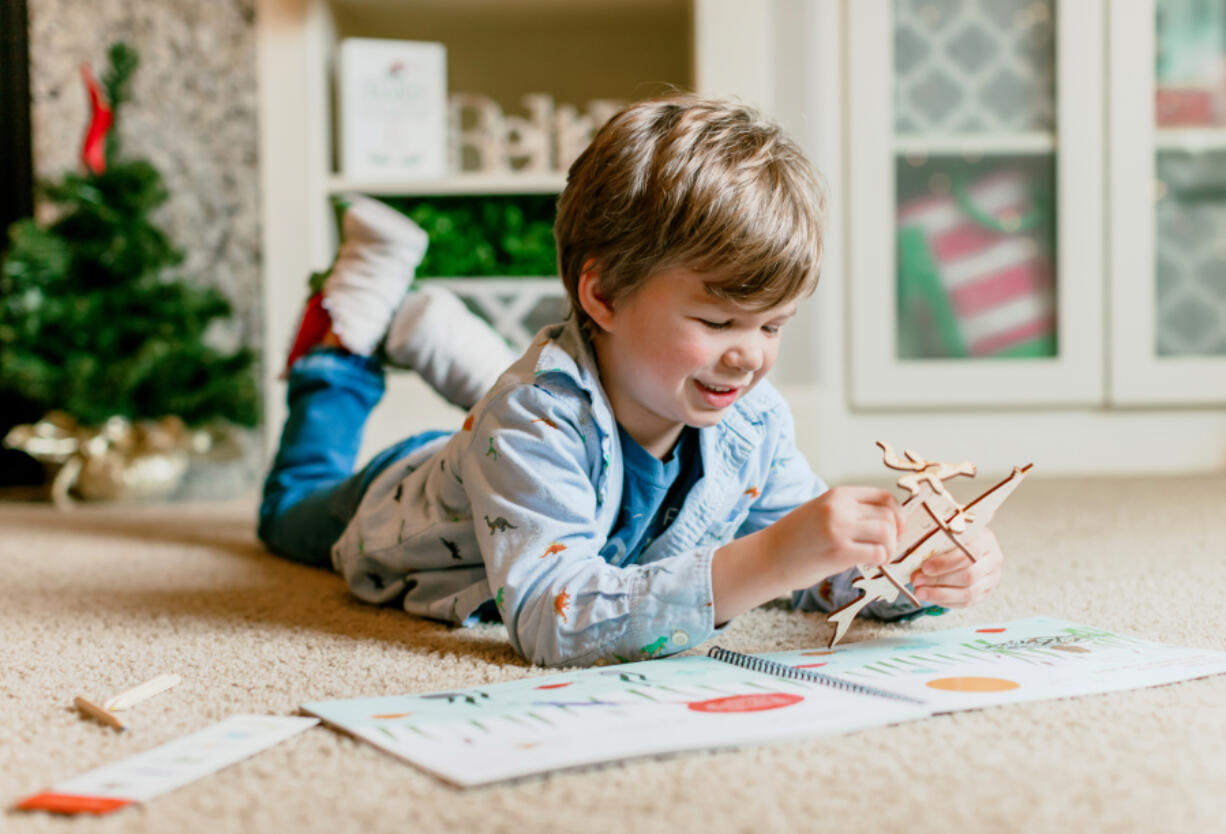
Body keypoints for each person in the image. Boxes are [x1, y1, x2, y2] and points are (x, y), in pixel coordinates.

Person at [258, 94, 1004, 668]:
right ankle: (344, 339)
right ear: (604, 296)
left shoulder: (754, 420)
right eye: (718, 323)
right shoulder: (530, 419)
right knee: (289, 507)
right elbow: (554, 618)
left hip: (542, 425)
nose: (749, 356)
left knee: (548, 401)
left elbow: (815, 569)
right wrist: (771, 556)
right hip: (403, 497)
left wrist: (908, 569)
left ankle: (435, 330)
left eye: (772, 327)